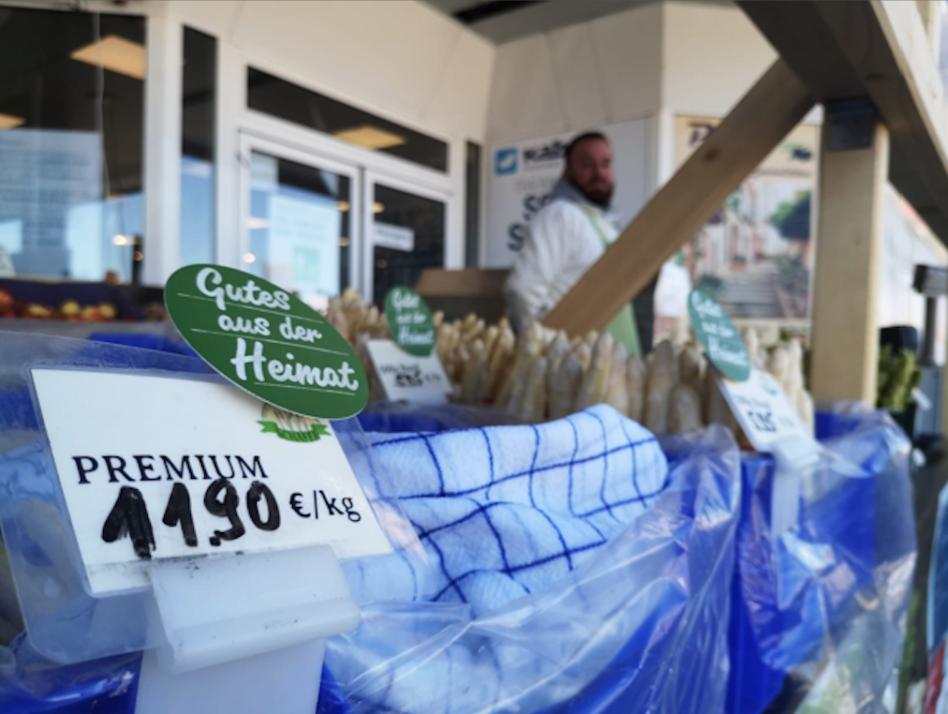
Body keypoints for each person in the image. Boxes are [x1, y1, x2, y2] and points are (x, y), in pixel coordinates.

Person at [504, 131, 649, 356]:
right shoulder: (559, 215)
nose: (599, 173)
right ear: (566, 172)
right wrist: (536, 356)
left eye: (606, 164)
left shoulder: (604, 224)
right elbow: (523, 290)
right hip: (578, 368)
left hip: (613, 363)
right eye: (586, 164)